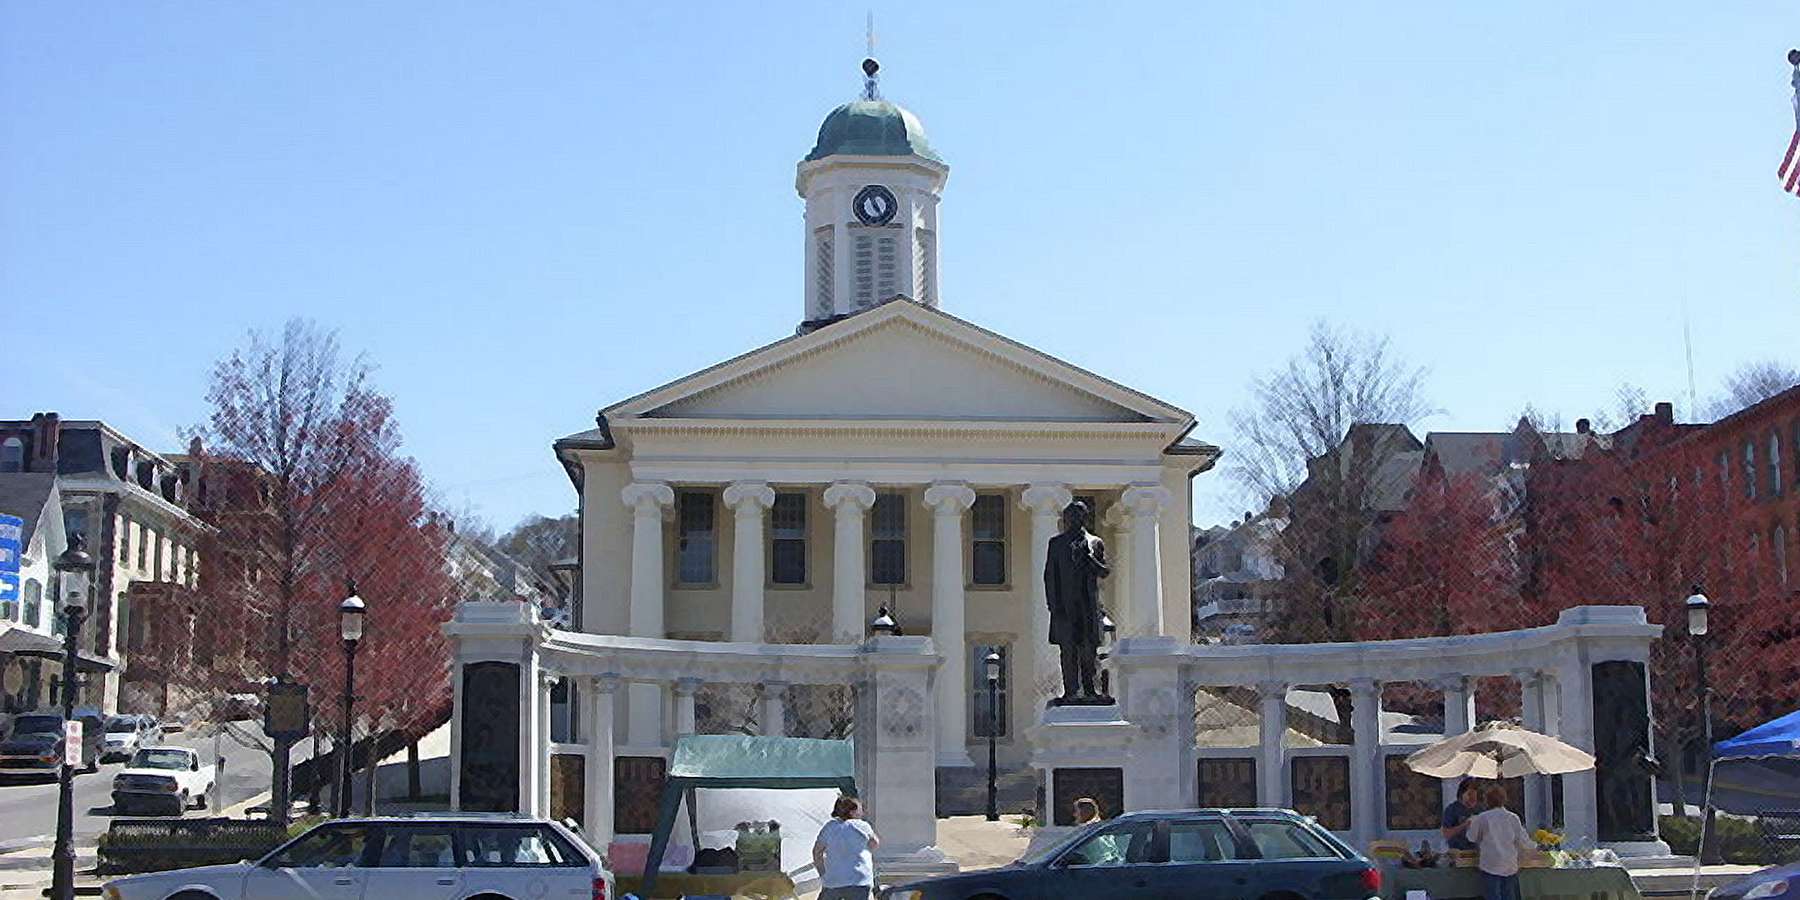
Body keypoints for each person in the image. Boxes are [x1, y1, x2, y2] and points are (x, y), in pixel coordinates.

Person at [1464, 785, 1536, 900]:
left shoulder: (1482, 818)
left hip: (1490, 864)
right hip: (1509, 864)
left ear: (1487, 801)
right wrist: (1537, 846)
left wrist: (1470, 824)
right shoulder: (1513, 818)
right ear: (1504, 800)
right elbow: (1524, 841)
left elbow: (1471, 837)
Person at [813, 795, 880, 900]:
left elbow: (817, 852)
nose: (863, 813)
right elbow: (875, 843)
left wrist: (822, 872)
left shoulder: (829, 827)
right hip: (860, 880)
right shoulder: (862, 825)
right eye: (860, 809)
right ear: (852, 812)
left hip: (833, 880)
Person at [1441, 779, 1481, 851]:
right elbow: (1446, 834)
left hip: (1476, 852)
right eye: (1470, 794)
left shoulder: (1479, 810)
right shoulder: (1452, 809)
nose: (1473, 798)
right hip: (1458, 853)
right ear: (1461, 794)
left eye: (1475, 795)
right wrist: (1464, 825)